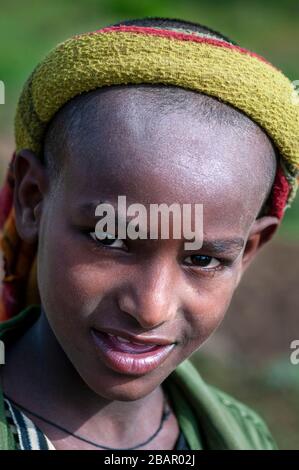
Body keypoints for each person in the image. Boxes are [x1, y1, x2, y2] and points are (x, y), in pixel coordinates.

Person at [0, 16, 298, 450]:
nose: (151, 308)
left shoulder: (247, 437)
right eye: (112, 238)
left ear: (248, 251)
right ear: (33, 199)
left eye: (202, 259)